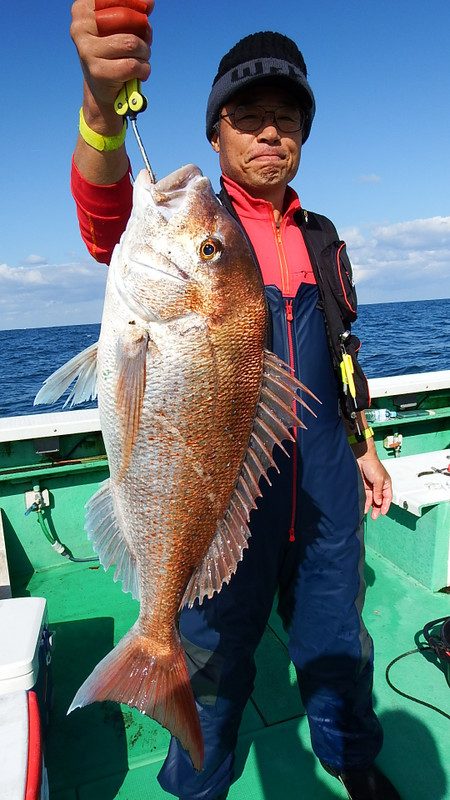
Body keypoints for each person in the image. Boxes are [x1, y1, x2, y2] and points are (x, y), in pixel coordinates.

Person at [70, 2, 398, 799]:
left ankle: (354, 766)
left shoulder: (324, 238)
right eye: (246, 118)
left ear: (303, 136)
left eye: (284, 118)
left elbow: (339, 353)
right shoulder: (197, 231)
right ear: (215, 133)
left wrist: (363, 446)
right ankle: (200, 785)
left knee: (338, 651)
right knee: (212, 666)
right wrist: (100, 108)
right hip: (222, 509)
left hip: (323, 498)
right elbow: (104, 207)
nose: (268, 133)